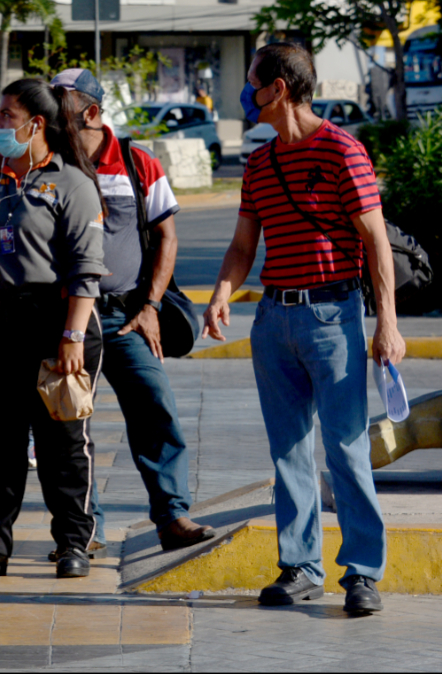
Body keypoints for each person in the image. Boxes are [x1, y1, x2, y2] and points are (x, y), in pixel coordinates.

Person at [202, 42, 405, 616]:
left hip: (333, 317)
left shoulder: (343, 151)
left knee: (346, 447)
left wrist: (385, 324)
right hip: (273, 318)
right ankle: (300, 566)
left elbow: (375, 242)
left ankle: (362, 572)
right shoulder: (260, 164)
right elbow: (245, 244)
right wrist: (222, 292)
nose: (247, 94)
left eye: (252, 83)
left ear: (279, 89)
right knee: (288, 450)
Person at [53, 68, 217, 556]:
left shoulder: (136, 162)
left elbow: (167, 236)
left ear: (91, 112)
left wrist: (149, 307)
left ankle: (172, 516)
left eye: (58, 105)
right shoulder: (50, 164)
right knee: (69, 425)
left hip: (126, 319)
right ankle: (87, 531)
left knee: (154, 412)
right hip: (67, 323)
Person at [0, 78, 106, 580]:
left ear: (36, 124)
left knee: (62, 437)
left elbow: (87, 269)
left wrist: (73, 337)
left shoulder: (73, 184)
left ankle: (72, 542)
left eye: (4, 116)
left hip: (54, 321)